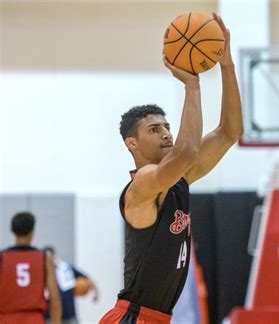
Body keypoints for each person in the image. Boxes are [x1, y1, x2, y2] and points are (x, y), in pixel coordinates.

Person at [99, 12, 242, 324]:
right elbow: (187, 152)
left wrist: (227, 65)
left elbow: (230, 131)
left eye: (166, 125)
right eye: (153, 130)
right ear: (131, 144)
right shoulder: (142, 186)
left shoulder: (179, 178)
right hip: (133, 318)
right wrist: (192, 86)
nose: (165, 132)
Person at [0, 211, 62, 324]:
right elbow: (54, 298)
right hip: (34, 319)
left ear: (12, 231)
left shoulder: (2, 258)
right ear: (33, 231)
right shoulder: (44, 258)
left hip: (6, 319)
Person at [44, 246, 99, 324]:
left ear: (54, 255)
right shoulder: (41, 272)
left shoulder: (66, 267)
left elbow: (87, 277)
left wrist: (96, 292)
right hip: (49, 317)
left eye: (51, 256)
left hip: (69, 315)